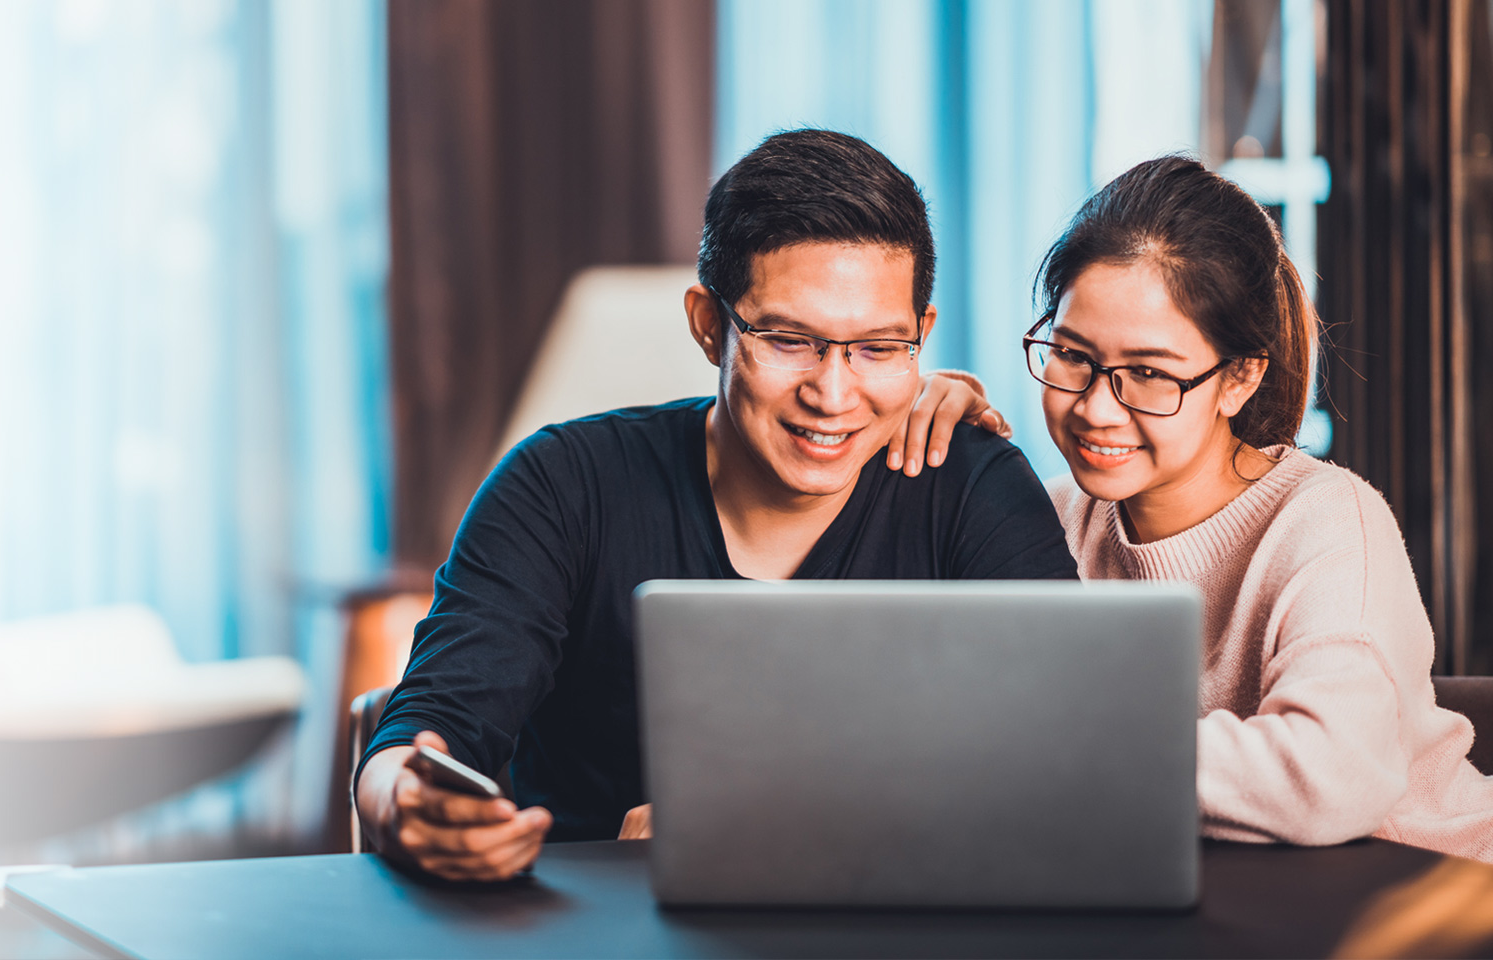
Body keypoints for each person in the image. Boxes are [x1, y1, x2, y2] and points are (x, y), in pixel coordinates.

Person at [354, 129, 1078, 882]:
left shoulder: (970, 485)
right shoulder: (562, 485)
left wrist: (774, 824)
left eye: (877, 347)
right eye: (789, 340)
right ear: (708, 325)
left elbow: (1068, 749)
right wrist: (404, 802)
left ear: (920, 337)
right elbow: (424, 730)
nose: (833, 395)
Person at [961, 155, 1493, 859]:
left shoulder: (1328, 521)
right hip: (1228, 904)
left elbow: (1326, 775)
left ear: (1239, 378)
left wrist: (1052, 751)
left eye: (1147, 374)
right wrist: (926, 440)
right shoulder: (1050, 519)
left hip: (1425, 899)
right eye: (1071, 355)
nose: (1095, 408)